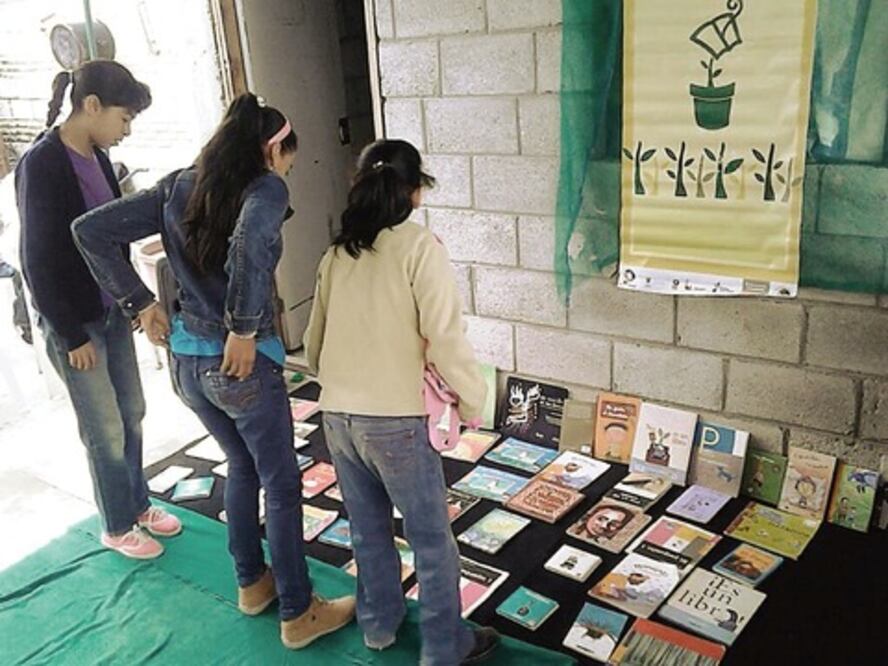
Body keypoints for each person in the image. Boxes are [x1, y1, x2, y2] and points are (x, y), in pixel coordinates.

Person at [72, 92, 355, 649]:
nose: (290, 170)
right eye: (290, 159)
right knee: (281, 483)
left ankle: (253, 583)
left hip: (186, 364)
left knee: (242, 467)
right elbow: (251, 243)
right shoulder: (267, 187)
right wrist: (244, 328)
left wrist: (139, 303)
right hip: (237, 367)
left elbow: (90, 230)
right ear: (273, 152)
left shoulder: (182, 182)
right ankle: (299, 612)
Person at [303, 138, 499, 665]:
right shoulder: (420, 248)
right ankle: (444, 648)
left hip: (338, 416)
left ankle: (378, 626)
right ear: (415, 192)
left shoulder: (336, 252)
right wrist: (474, 400)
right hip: (397, 420)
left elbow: (314, 344)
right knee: (433, 544)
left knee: (367, 532)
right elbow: (445, 337)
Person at [15, 59, 180, 559]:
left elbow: (109, 236)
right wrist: (70, 335)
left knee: (133, 411)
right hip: (76, 321)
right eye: (124, 119)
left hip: (110, 310)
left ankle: (136, 502)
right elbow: (36, 260)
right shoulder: (42, 164)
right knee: (104, 428)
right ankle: (115, 524)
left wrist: (132, 301)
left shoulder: (97, 153)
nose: (126, 131)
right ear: (92, 107)